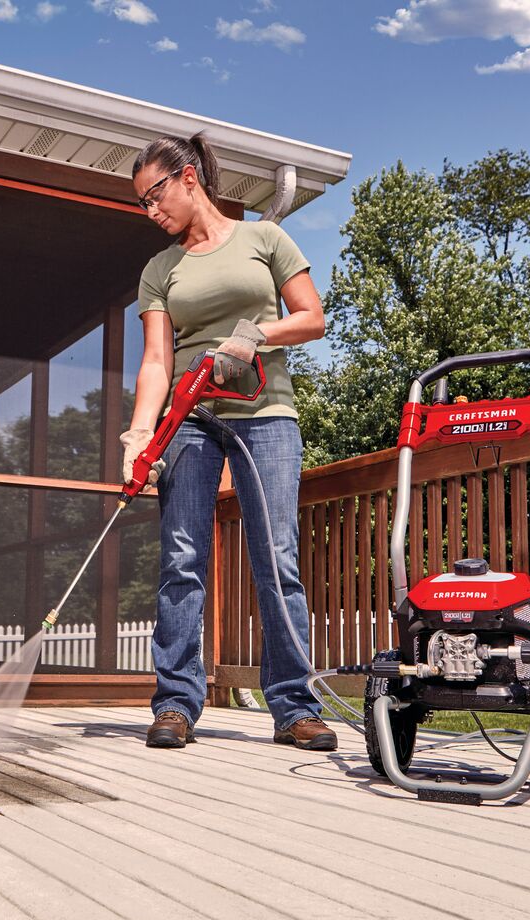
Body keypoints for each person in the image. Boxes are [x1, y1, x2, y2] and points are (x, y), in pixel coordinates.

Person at [123, 133, 336, 751]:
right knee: (181, 559)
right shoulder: (160, 270)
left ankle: (295, 707)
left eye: (155, 195)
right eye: (142, 203)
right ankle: (176, 703)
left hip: (266, 414)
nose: (150, 210)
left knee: (277, 557)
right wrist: (142, 434)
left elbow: (312, 318)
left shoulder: (263, 239)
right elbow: (157, 361)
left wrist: (254, 336)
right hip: (189, 418)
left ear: (189, 178)